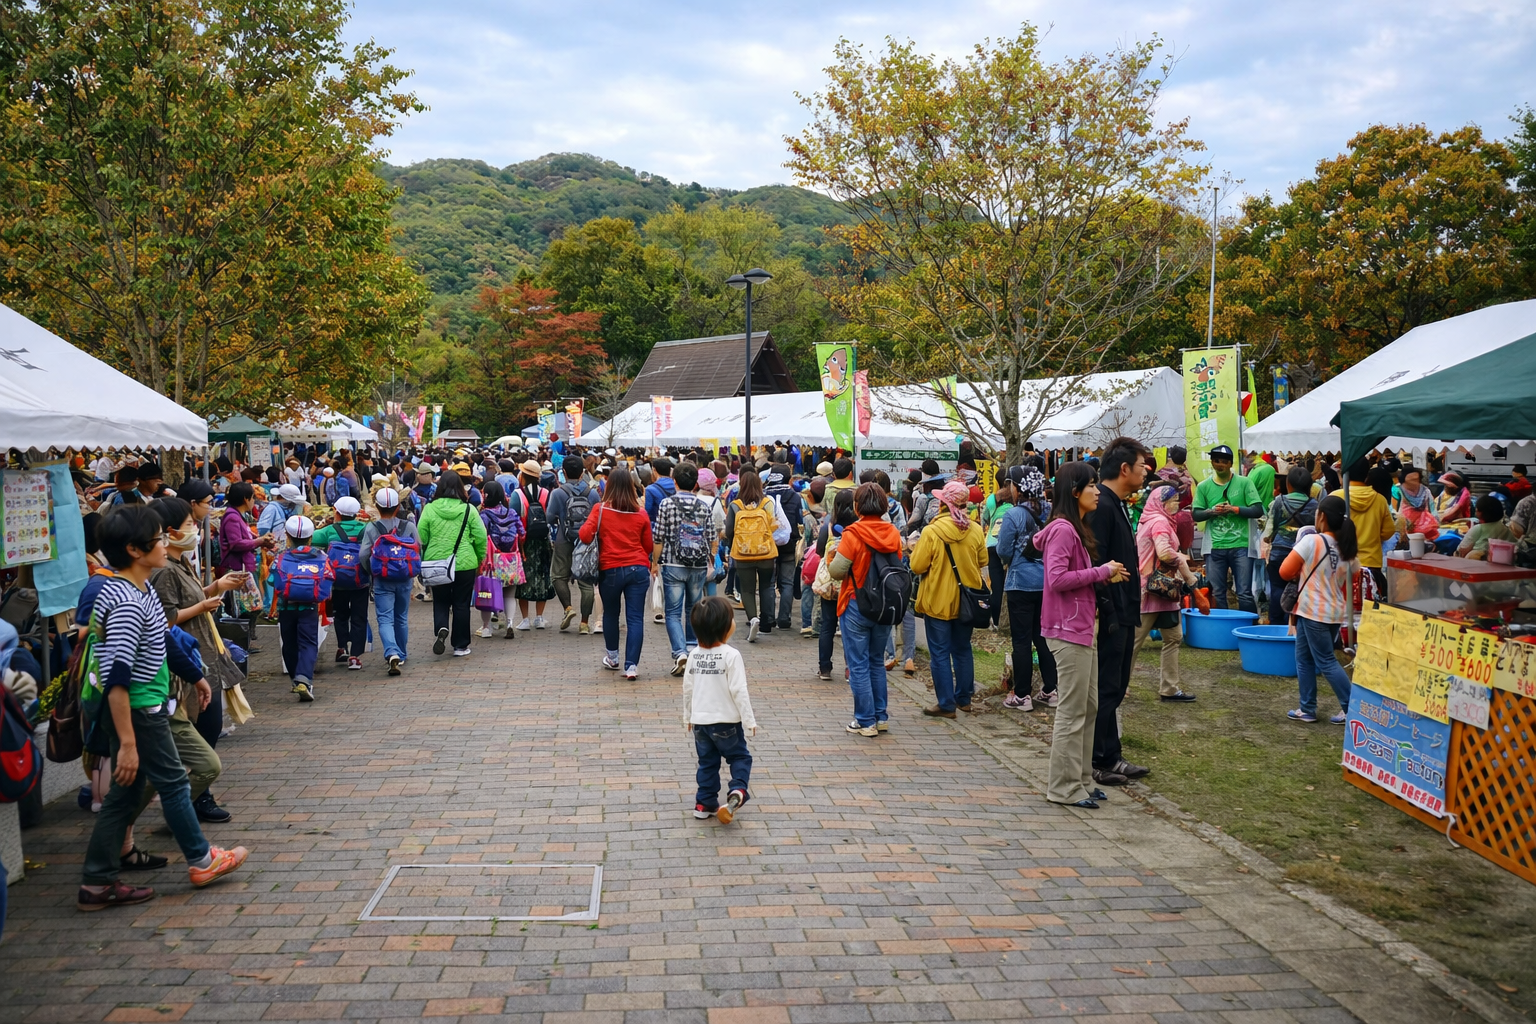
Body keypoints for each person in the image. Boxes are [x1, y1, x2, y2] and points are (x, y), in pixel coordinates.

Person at [77, 505, 249, 911]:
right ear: (134, 550)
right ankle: (202, 860)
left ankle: (97, 881)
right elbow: (117, 679)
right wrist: (127, 743)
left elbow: (164, 639)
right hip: (141, 708)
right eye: (158, 539)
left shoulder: (140, 589)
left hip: (146, 704)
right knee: (172, 782)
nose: (165, 543)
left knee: (124, 795)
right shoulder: (124, 600)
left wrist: (196, 676)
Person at [149, 497, 243, 825]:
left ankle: (192, 798)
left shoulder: (180, 563)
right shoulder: (164, 571)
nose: (196, 529)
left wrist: (216, 587)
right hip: (187, 662)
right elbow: (165, 619)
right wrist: (203, 606)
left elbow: (188, 597)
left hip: (202, 657)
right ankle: (191, 799)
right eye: (190, 524)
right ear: (170, 532)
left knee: (209, 729)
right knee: (201, 735)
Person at [1036, 462, 1125, 809]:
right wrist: (1101, 571)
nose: (1097, 491)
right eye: (1090, 485)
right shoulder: (1062, 530)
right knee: (1072, 712)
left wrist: (1104, 574)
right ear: (1074, 492)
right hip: (1067, 630)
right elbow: (1057, 578)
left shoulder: (1076, 528)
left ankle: (1082, 780)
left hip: (1082, 628)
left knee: (1088, 707)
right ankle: (1063, 787)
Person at [1084, 437, 1152, 788]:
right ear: (1124, 469)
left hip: (1125, 609)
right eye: (1141, 466)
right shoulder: (1102, 505)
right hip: (1111, 612)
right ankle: (1097, 758)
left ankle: (1112, 754)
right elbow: (1096, 564)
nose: (1146, 471)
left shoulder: (1117, 503)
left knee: (1116, 685)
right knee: (1107, 687)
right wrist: (1108, 611)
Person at [827, 483, 904, 737]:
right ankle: (881, 717)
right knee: (876, 661)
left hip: (856, 603)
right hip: (884, 605)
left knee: (858, 664)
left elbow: (837, 571)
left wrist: (831, 557)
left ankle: (864, 720)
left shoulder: (853, 533)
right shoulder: (893, 533)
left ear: (857, 506)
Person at [910, 480, 988, 718]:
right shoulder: (975, 530)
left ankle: (946, 704)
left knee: (940, 653)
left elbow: (917, 566)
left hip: (938, 601)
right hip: (967, 602)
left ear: (944, 504)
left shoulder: (932, 531)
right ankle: (964, 699)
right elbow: (983, 560)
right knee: (963, 649)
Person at [1279, 495, 1359, 724]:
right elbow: (1353, 576)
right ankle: (1307, 708)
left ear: (1321, 516)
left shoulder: (1312, 541)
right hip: (1331, 610)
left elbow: (1284, 572)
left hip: (1313, 610)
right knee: (1304, 658)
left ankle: (1352, 708)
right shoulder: (1346, 547)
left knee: (1325, 660)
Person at [683, 595, 757, 823]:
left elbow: (688, 688)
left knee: (707, 763)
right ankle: (738, 790)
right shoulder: (731, 655)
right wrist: (749, 720)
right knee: (740, 757)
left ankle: (704, 803)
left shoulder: (693, 655)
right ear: (725, 626)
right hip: (727, 722)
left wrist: (688, 716)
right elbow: (739, 690)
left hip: (700, 723)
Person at [578, 466, 653, 679]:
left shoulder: (600, 510)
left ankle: (612, 657)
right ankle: (631, 666)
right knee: (635, 618)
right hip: (638, 569)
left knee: (611, 613)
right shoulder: (641, 513)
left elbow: (584, 535)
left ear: (608, 486)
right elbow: (648, 546)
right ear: (631, 486)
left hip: (610, 568)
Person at [1131, 485, 1201, 703]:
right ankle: (1118, 686)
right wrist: (1182, 561)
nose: (1177, 504)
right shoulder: (1160, 522)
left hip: (1157, 589)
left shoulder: (1147, 521)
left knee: (1170, 638)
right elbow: (1164, 552)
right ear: (1161, 503)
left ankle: (1169, 688)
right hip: (1156, 589)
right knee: (1139, 641)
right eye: (1173, 501)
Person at [996, 467, 1056, 711]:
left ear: (1019, 488)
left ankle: (1022, 695)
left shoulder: (1013, 515)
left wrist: (1013, 559)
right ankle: (1050, 690)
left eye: (1011, 484)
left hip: (1020, 583)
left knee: (1021, 641)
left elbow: (1003, 550)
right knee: (1043, 637)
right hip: (1047, 583)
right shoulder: (1050, 511)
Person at [418, 469, 489, 657]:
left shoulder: (430, 509)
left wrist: (425, 556)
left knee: (440, 601)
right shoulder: (469, 509)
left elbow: (421, 536)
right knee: (461, 603)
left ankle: (442, 627)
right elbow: (481, 537)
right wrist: (480, 558)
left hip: (436, 562)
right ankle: (460, 645)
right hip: (464, 563)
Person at [654, 462, 716, 676]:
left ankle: (680, 652)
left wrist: (655, 562)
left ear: (675, 482)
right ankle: (691, 648)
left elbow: (658, 537)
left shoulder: (666, 504)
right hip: (698, 564)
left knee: (672, 612)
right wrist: (711, 559)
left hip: (673, 563)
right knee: (693, 608)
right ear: (695, 484)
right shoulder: (703, 506)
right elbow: (712, 537)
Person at [1192, 444, 1262, 612]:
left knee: (1244, 593)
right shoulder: (1203, 487)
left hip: (1242, 545)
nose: (1220, 465)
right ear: (1211, 462)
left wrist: (1234, 509)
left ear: (1231, 463)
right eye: (1216, 461)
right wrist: (1212, 512)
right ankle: (1222, 625)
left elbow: (1257, 510)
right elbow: (1196, 514)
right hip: (1215, 547)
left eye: (1224, 461)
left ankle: (1248, 625)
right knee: (1217, 593)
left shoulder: (1245, 483)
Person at [724, 469, 788, 643]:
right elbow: (774, 525)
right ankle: (767, 622)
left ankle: (753, 619)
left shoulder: (735, 505)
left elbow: (729, 531)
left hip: (742, 553)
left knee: (747, 589)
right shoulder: (767, 503)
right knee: (767, 586)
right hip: (766, 552)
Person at [360, 488, 418, 676]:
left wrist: (371, 572)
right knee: (401, 617)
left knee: (385, 618)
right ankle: (401, 653)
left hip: (382, 579)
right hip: (404, 578)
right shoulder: (409, 526)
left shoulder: (372, 528)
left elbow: (363, 554)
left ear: (377, 507)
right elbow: (418, 548)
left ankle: (391, 651)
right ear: (398, 506)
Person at [311, 496, 370, 670]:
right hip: (361, 581)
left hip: (337, 581)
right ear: (357, 513)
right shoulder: (366, 529)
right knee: (359, 617)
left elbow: (311, 538)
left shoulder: (329, 531)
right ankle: (355, 656)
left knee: (341, 615)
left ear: (336, 512)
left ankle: (342, 646)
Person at [1260, 467, 1319, 620]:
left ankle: (1276, 624)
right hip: (1305, 555)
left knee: (1277, 588)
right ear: (1309, 485)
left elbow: (1268, 532)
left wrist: (1267, 540)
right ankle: (1291, 624)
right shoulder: (1315, 505)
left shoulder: (1278, 502)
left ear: (1288, 484)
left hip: (1279, 552)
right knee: (1300, 590)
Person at [548, 456, 597, 633]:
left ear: (564, 472)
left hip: (564, 539)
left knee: (557, 576)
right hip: (586, 541)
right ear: (583, 472)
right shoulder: (592, 493)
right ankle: (584, 623)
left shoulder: (558, 493)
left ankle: (568, 608)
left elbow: (549, 517)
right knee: (586, 582)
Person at [1333, 458, 1395, 593]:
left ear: (1345, 473)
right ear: (1367, 475)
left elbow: (1326, 531)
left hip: (1341, 564)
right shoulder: (1380, 500)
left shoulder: (1335, 497)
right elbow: (1388, 532)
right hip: (1372, 565)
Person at [814, 489, 856, 683]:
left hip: (830, 584)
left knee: (827, 626)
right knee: (851, 628)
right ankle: (850, 669)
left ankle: (825, 668)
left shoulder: (828, 527)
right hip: (851, 584)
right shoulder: (857, 528)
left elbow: (819, 551)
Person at [475, 480, 524, 638]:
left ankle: (486, 628)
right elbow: (522, 533)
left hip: (491, 560)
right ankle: (510, 623)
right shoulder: (512, 513)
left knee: (486, 594)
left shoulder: (484, 515)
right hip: (510, 558)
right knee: (509, 595)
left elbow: (480, 536)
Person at [509, 460, 554, 629]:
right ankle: (539, 617)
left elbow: (513, 518)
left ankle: (525, 619)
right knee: (543, 577)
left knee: (523, 579)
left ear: (522, 476)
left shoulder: (517, 495)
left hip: (524, 542)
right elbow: (550, 517)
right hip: (543, 540)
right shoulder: (546, 493)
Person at [763, 454, 804, 632]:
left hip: (767, 545)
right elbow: (800, 521)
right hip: (789, 544)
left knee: (768, 583)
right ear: (788, 479)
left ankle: (768, 618)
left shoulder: (764, 496)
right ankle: (784, 619)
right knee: (787, 583)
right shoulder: (795, 497)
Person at [216, 482, 273, 578]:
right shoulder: (232, 518)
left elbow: (246, 537)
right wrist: (259, 541)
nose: (254, 501)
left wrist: (262, 539)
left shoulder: (239, 515)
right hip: (236, 569)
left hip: (243, 567)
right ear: (246, 499)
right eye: (253, 498)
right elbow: (236, 544)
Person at [981, 476, 1015, 630]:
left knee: (996, 585)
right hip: (1010, 545)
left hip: (992, 544)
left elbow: (985, 520)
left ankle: (996, 621)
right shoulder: (1016, 501)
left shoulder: (992, 500)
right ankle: (1009, 620)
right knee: (1011, 585)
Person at [1457, 495, 1515, 560]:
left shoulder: (1478, 529)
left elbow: (1461, 551)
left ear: (1480, 512)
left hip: (1476, 563)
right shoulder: (1505, 529)